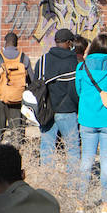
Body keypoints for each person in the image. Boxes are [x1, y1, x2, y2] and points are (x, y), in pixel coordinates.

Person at [75, 34, 107, 213]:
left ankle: (80, 202)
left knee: (86, 161)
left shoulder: (82, 66)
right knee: (106, 161)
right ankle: (106, 203)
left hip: (87, 118)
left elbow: (78, 90)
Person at [34, 28, 80, 177]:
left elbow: (36, 86)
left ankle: (48, 182)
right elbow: (76, 90)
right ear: (68, 43)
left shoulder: (43, 60)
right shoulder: (74, 62)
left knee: (47, 148)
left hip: (46, 111)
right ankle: (71, 184)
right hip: (67, 111)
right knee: (72, 148)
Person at [0, 32, 31, 146]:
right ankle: (16, 154)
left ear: (5, 43)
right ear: (17, 44)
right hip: (17, 99)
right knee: (17, 131)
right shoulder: (24, 58)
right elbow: (31, 80)